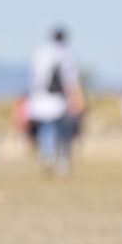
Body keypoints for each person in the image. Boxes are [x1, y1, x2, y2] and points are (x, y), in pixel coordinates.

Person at [28, 27, 85, 175]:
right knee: (61, 131)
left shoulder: (41, 53)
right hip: (59, 99)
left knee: (46, 128)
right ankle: (58, 159)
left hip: (41, 99)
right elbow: (70, 80)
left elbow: (35, 78)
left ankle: (47, 154)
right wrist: (77, 98)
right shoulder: (68, 54)